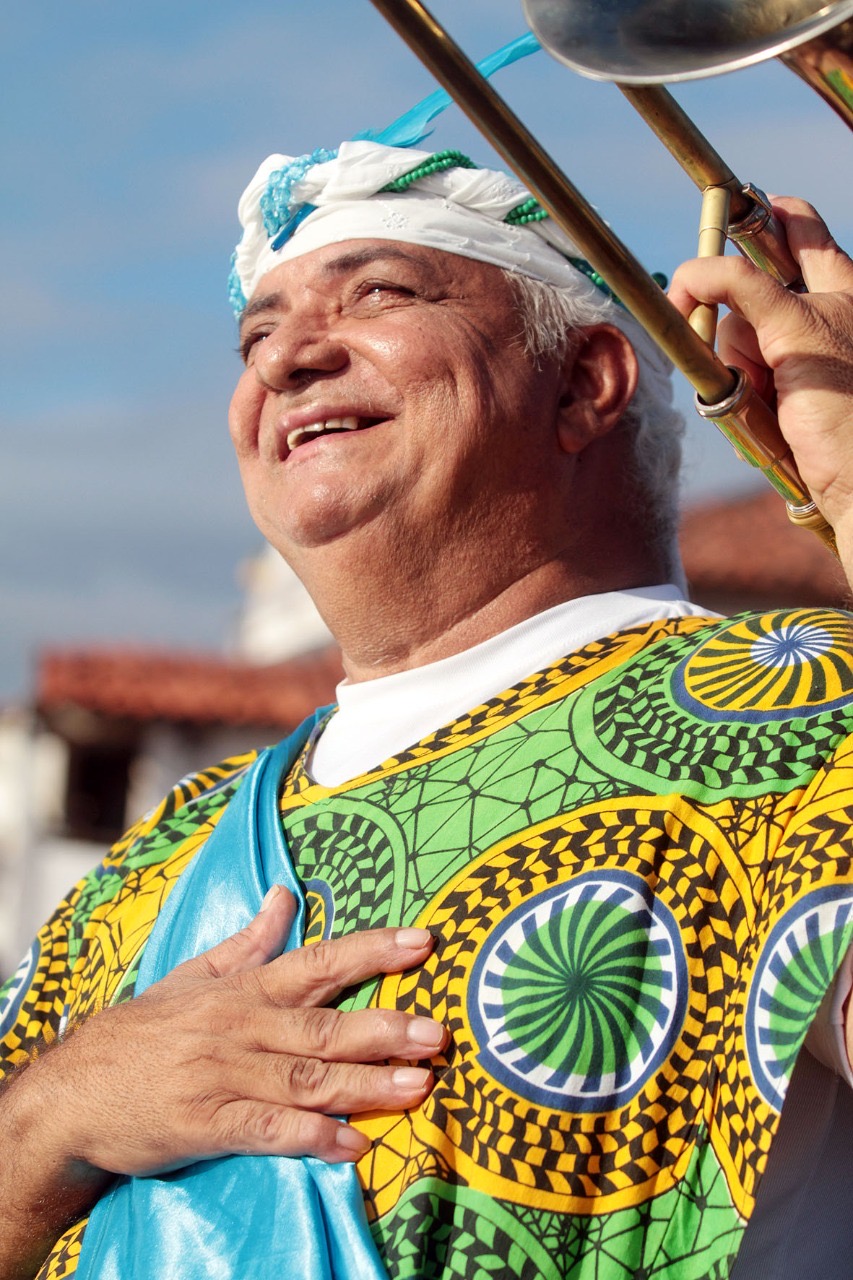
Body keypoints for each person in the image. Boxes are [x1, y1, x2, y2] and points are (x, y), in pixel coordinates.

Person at [2, 133, 853, 1280]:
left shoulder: (795, 702)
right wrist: (52, 1113)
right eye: (255, 334)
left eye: (380, 294)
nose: (286, 359)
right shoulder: (156, 851)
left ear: (585, 381)